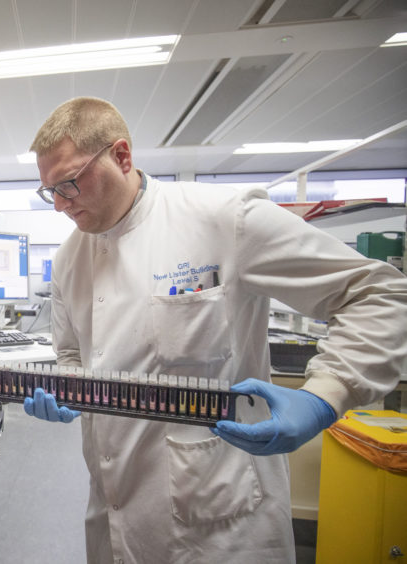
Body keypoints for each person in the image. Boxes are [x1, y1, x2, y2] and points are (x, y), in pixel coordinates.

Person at [23, 96, 407, 563]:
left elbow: (380, 293)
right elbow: (72, 358)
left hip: (220, 519)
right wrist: (67, 390)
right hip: (112, 511)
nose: (61, 205)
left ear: (121, 156)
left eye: (69, 183)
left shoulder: (224, 218)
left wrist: (326, 394)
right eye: (50, 192)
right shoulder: (69, 259)